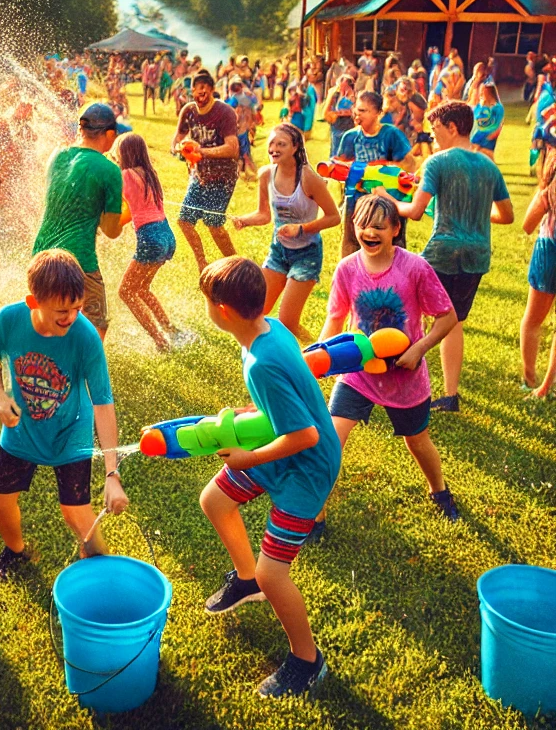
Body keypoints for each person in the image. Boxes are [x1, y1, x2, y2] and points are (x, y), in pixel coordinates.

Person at [197, 256, 340, 697]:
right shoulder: (269, 328)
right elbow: (290, 400)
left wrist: (246, 457)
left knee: (275, 573)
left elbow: (305, 434)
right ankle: (247, 581)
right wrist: (251, 414)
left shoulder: (262, 360)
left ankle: (307, 660)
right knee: (215, 501)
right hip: (282, 442)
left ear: (223, 311)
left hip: (307, 466)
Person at [312, 193, 459, 542]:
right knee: (331, 440)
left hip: (405, 377)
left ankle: (439, 490)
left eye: (379, 226)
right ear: (354, 227)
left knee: (417, 441)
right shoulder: (347, 268)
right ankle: (314, 516)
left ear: (396, 228)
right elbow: (334, 319)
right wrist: (317, 359)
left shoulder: (415, 268)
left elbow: (447, 316)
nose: (369, 232)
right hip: (358, 372)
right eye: (363, 225)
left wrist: (420, 349)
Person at [0, 249, 128, 585]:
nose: (72, 317)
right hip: (22, 430)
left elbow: (103, 402)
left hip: (70, 431)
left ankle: (103, 572)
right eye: (63, 310)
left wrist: (112, 473)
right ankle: (15, 551)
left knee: (75, 513)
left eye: (77, 308)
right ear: (34, 302)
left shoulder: (85, 337)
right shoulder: (9, 319)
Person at [381, 101, 513, 412]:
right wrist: (478, 216)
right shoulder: (489, 166)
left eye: (436, 129)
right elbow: (506, 215)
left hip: (441, 253)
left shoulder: (437, 162)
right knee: (452, 321)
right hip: (477, 256)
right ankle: (450, 396)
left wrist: (387, 199)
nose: (432, 135)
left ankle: (397, 382)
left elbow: (413, 212)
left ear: (452, 127)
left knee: (409, 311)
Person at [232, 124, 339, 341]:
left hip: (306, 254)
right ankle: (264, 355)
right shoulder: (266, 175)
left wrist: (300, 228)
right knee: (256, 310)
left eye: (281, 144)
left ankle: (317, 354)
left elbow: (334, 217)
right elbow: (264, 215)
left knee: (287, 322)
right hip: (278, 251)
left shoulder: (309, 178)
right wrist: (245, 220)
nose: (273, 148)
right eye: (271, 143)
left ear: (295, 147)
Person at [33, 103, 124, 340]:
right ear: (110, 134)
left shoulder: (57, 156)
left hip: (42, 253)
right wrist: (128, 211)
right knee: (97, 322)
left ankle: (45, 368)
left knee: (47, 318)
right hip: (79, 259)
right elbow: (111, 230)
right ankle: (84, 374)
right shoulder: (109, 170)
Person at [113, 133, 184, 351]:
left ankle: (160, 341)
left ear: (125, 154)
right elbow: (136, 210)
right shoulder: (150, 174)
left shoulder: (125, 175)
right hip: (166, 235)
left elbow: (112, 199)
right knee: (142, 288)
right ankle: (170, 330)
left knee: (125, 292)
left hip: (151, 237)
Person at [172, 70, 239, 273]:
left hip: (223, 176)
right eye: (196, 93)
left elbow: (233, 148)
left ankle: (237, 266)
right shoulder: (188, 111)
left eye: (204, 92)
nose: (200, 97)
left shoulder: (225, 112)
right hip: (199, 176)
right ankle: (202, 264)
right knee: (184, 221)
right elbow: (176, 139)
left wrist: (201, 151)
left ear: (211, 90)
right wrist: (181, 149)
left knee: (214, 224)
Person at [335, 91, 416, 257]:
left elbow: (409, 163)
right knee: (352, 241)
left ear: (378, 113)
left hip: (387, 199)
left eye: (364, 110)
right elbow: (340, 165)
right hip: (357, 199)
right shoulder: (350, 137)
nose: (357, 114)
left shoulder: (390, 134)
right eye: (356, 110)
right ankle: (350, 276)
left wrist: (382, 169)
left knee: (394, 241)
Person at [520, 153, 556, 399]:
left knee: (533, 320)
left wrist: (543, 192)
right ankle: (545, 387)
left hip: (549, 250)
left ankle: (529, 379)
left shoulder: (549, 190)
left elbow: (528, 224)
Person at [323, 75, 355, 158]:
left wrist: (344, 113)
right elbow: (328, 110)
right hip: (336, 126)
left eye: (343, 84)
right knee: (335, 149)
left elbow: (355, 111)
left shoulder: (354, 96)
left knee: (346, 151)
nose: (340, 86)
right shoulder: (336, 95)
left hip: (348, 126)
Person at [471, 82, 504, 159]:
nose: (481, 94)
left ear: (489, 93)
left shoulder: (497, 107)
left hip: (488, 137)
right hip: (477, 135)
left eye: (483, 92)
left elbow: (497, 124)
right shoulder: (480, 106)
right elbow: (475, 116)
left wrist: (491, 136)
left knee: (486, 156)